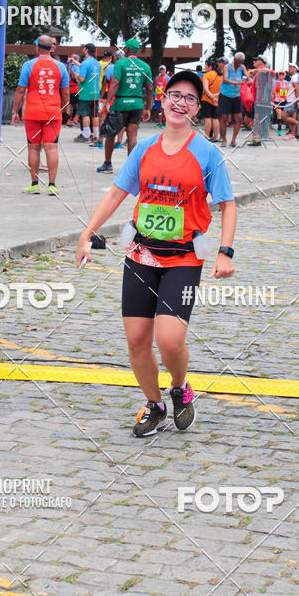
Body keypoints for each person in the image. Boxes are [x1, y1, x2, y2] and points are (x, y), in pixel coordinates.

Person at [76, 71, 237, 437]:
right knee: (136, 340)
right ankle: (154, 403)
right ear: (162, 101)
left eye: (190, 99)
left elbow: (228, 205)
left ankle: (180, 387)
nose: (181, 103)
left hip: (182, 259)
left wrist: (225, 252)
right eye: (175, 95)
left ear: (197, 108)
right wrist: (88, 233)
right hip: (140, 256)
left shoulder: (207, 153)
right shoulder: (144, 149)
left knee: (169, 340)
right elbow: (116, 194)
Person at [11, 34, 69, 195]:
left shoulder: (28, 65)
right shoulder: (61, 67)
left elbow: (20, 89)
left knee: (33, 149)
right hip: (53, 113)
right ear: (51, 48)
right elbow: (65, 93)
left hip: (32, 113)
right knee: (52, 148)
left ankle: (35, 183)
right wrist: (66, 111)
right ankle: (52, 185)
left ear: (37, 47)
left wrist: (15, 111)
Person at [97, 38, 153, 174]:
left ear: (127, 49)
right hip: (137, 104)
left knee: (111, 134)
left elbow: (115, 83)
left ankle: (108, 164)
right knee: (132, 136)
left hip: (121, 104)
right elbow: (150, 88)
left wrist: (108, 101)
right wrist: (147, 108)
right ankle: (131, 168)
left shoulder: (121, 63)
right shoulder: (145, 66)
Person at [71, 43, 101, 144]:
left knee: (85, 114)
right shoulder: (97, 63)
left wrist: (75, 75)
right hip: (95, 92)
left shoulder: (85, 63)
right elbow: (88, 69)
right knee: (95, 114)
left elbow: (82, 78)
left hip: (86, 92)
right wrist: (76, 62)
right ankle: (96, 135)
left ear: (86, 50)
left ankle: (86, 135)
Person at [218, 53, 248, 148]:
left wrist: (248, 79)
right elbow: (225, 79)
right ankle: (224, 139)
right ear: (234, 59)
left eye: (241, 62)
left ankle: (233, 141)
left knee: (239, 118)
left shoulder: (242, 67)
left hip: (236, 95)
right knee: (224, 118)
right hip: (225, 95)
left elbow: (247, 76)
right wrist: (235, 82)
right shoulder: (227, 67)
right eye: (238, 62)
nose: (239, 64)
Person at [200, 57, 221, 143]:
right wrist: (215, 96)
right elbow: (222, 89)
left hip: (206, 99)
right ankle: (216, 137)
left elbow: (205, 89)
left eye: (205, 65)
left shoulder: (206, 75)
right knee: (215, 118)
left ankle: (207, 137)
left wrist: (211, 96)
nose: (205, 67)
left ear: (209, 66)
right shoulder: (220, 75)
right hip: (217, 100)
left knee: (207, 119)